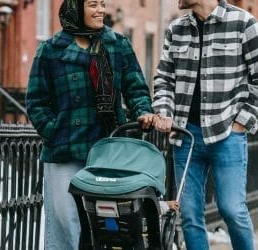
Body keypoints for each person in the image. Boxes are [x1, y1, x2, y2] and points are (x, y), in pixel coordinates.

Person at [143, 0, 258, 249]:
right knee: (191, 215)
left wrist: (242, 122)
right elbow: (164, 78)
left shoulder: (244, 24)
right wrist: (163, 112)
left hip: (226, 134)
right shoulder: (176, 29)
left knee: (232, 210)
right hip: (186, 136)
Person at [25, 0, 155, 249]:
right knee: (66, 219)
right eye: (92, 4)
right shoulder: (51, 50)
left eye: (103, 4)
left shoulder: (117, 45)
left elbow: (136, 87)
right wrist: (54, 129)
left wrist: (143, 112)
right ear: (75, 8)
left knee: (106, 220)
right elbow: (36, 100)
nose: (100, 10)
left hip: (108, 148)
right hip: (65, 148)